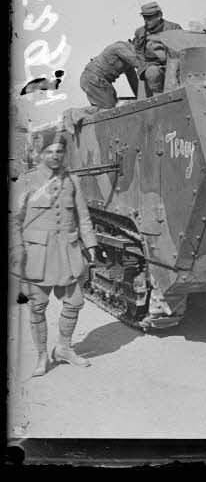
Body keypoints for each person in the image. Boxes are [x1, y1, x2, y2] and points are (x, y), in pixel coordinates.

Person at [10, 131, 98, 377]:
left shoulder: (73, 181)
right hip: (35, 255)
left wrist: (90, 244)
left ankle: (64, 349)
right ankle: (41, 356)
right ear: (40, 154)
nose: (55, 156)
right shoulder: (27, 181)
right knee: (37, 307)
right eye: (50, 151)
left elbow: (83, 216)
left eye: (59, 151)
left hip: (67, 254)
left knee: (75, 302)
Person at [130, 2, 182, 96]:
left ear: (159, 16)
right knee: (152, 72)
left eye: (149, 17)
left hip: (173, 63)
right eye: (144, 17)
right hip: (152, 65)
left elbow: (181, 50)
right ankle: (157, 96)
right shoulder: (140, 32)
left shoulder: (173, 27)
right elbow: (136, 49)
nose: (146, 20)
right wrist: (143, 64)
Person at [79, 41, 147, 110]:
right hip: (94, 78)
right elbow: (143, 67)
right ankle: (73, 114)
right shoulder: (121, 48)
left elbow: (134, 81)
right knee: (109, 110)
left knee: (107, 107)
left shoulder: (128, 61)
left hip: (96, 79)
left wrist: (141, 99)